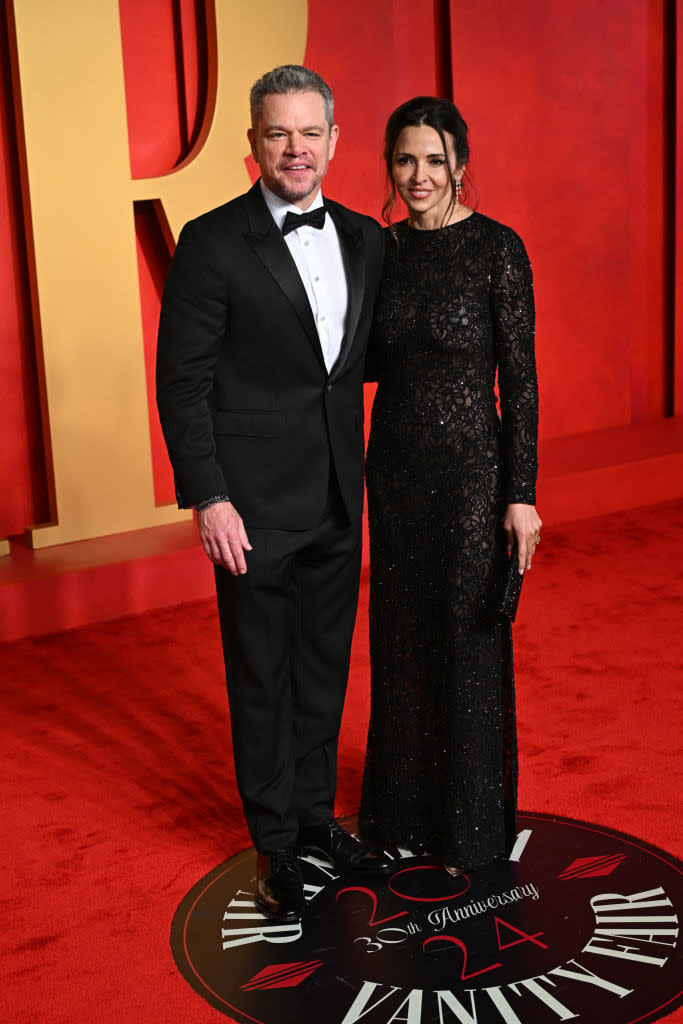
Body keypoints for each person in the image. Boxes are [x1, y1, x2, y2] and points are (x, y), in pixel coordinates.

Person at [156, 65, 391, 924]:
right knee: (262, 675)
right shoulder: (212, 240)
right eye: (277, 134)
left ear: (332, 138)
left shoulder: (366, 236)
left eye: (309, 132)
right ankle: (275, 844)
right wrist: (207, 497)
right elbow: (180, 382)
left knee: (324, 667)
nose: (295, 149)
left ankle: (314, 816)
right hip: (249, 506)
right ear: (252, 144)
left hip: (337, 491)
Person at [359, 96, 541, 875]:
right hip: (394, 474)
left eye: (434, 160)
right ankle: (403, 816)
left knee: (467, 644)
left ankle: (471, 824)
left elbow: (522, 384)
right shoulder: (378, 251)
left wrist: (520, 493)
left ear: (460, 165)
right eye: (405, 160)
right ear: (389, 167)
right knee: (400, 642)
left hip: (473, 476)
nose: (419, 175)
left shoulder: (498, 249)